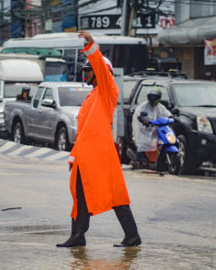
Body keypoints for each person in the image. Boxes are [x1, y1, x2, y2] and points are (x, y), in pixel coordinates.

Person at [56, 30, 141, 248]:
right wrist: (74, 157)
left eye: (88, 70)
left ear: (99, 72)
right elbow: (84, 131)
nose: (85, 74)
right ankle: (78, 235)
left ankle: (132, 236)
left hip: (101, 155)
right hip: (86, 156)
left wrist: (91, 44)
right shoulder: (91, 97)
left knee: (115, 195)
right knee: (79, 193)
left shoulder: (107, 90)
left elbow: (102, 70)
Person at [131, 88, 171, 169]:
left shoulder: (161, 107)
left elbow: (167, 114)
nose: (152, 99)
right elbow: (139, 115)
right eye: (151, 96)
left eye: (155, 97)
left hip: (157, 130)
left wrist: (172, 117)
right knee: (143, 143)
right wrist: (144, 119)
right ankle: (139, 160)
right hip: (144, 131)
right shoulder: (143, 107)